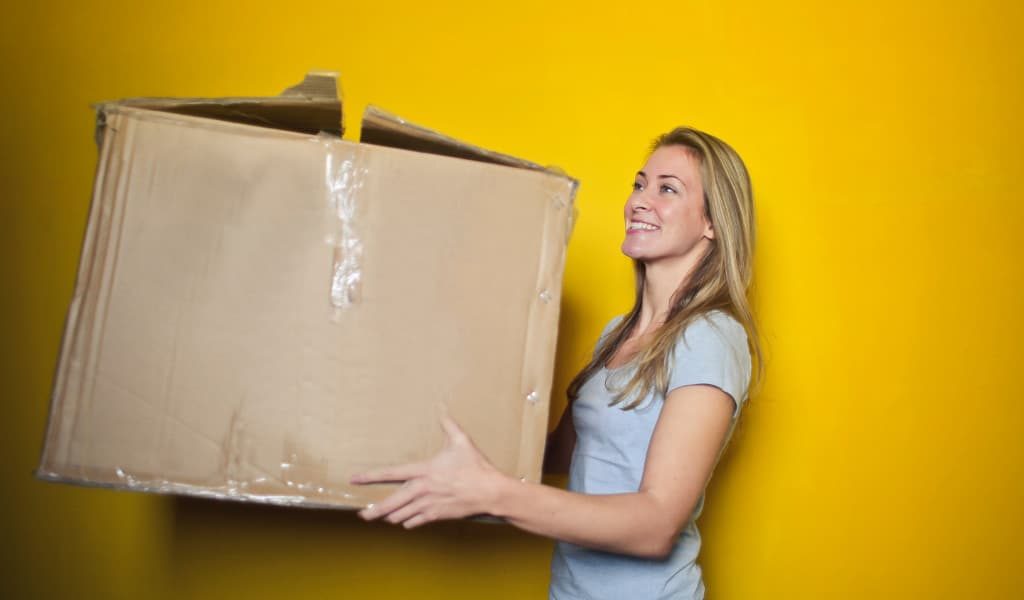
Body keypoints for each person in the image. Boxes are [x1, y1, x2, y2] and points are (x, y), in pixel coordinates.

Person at [351, 126, 761, 600]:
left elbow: (656, 525)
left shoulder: (709, 338)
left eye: (668, 189)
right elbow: (558, 453)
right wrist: (418, 434)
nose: (640, 201)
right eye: (639, 184)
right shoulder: (616, 335)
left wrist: (492, 494)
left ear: (713, 222)